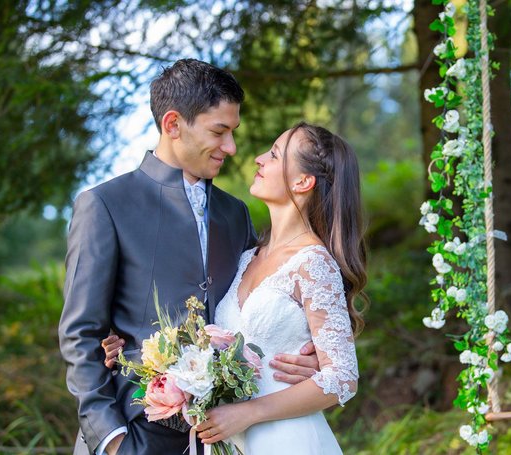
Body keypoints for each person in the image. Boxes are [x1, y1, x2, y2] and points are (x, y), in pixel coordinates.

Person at [59, 59, 319, 455]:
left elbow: (270, 300)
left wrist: (310, 354)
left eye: (233, 132)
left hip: (228, 437)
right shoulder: (104, 205)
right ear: (173, 124)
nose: (231, 148)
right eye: (219, 132)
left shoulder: (236, 213)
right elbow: (80, 335)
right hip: (132, 433)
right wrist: (111, 440)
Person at [105, 122, 366, 454]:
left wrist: (248, 413)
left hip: (286, 438)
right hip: (230, 441)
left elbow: (343, 378)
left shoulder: (313, 262)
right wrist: (119, 341)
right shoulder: (246, 257)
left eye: (274, 155)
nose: (258, 159)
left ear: (303, 181)